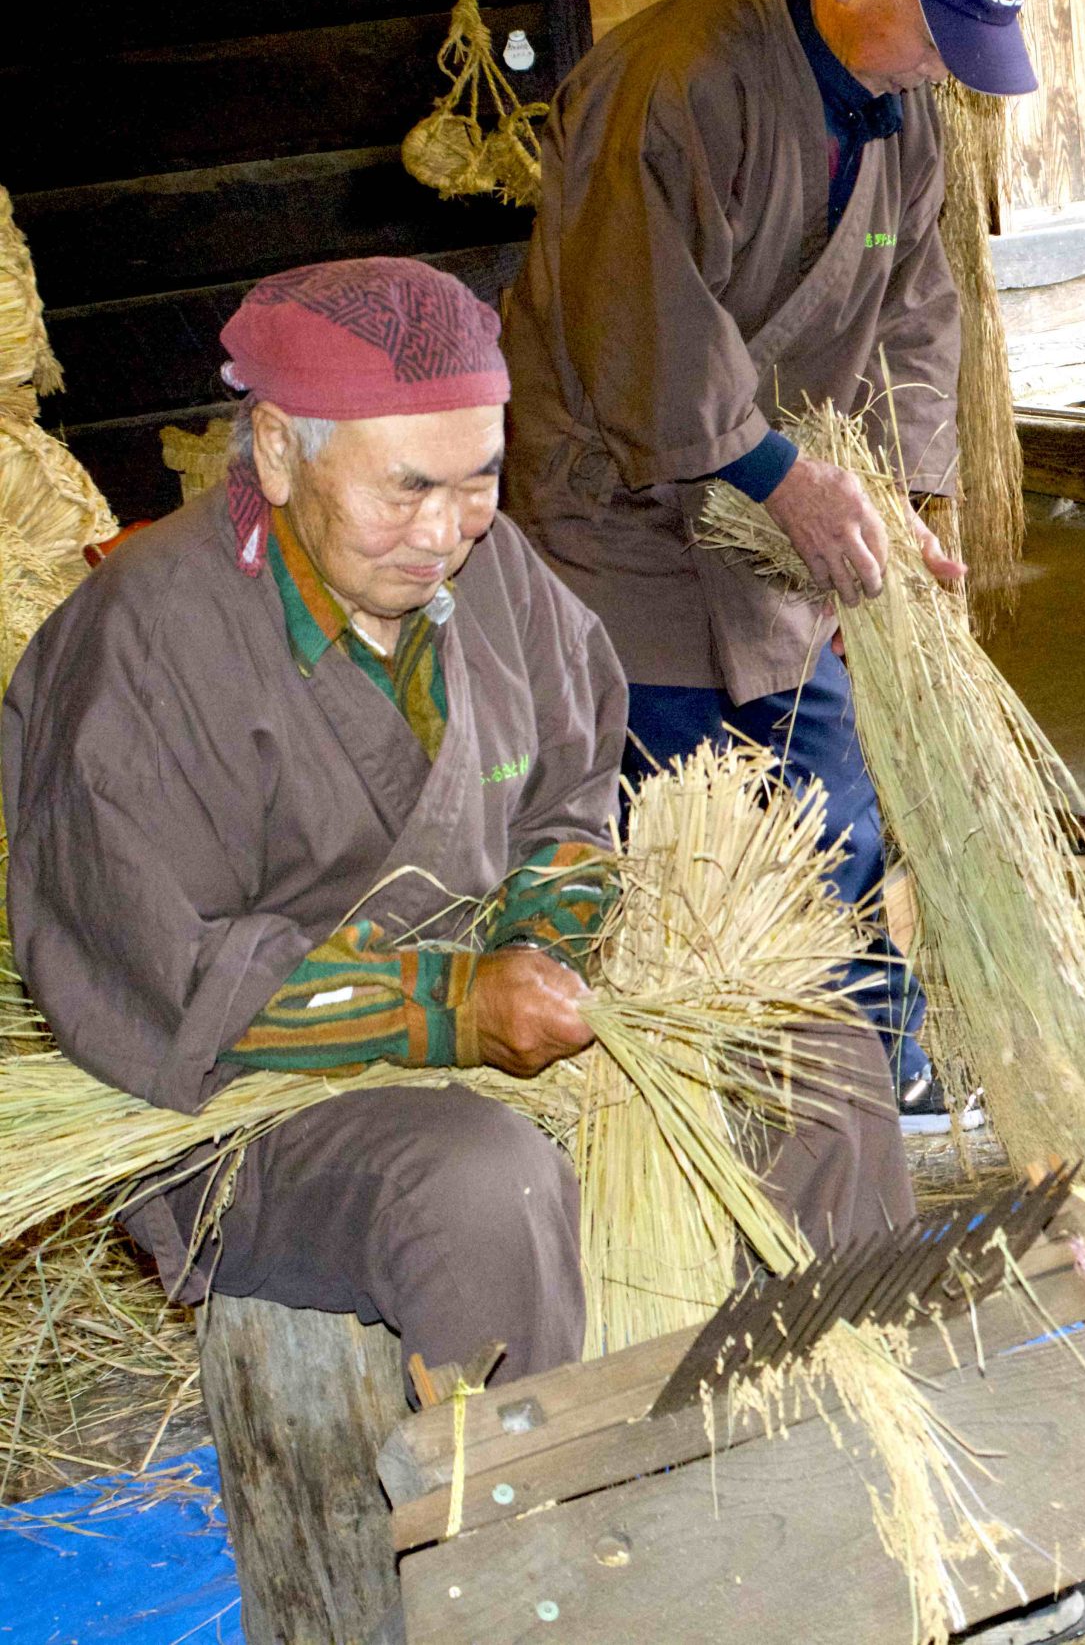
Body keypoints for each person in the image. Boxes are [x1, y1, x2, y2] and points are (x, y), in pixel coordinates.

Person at [1, 258, 903, 1385]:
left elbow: (570, 800)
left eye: (479, 480)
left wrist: (543, 937)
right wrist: (449, 1008)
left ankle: (828, 1415)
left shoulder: (496, 573)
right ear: (279, 453)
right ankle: (539, 1533)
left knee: (812, 1053)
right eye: (407, 489)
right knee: (483, 1180)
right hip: (252, 1098)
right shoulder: (142, 645)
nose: (446, 532)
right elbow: (162, 977)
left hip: (489, 1014)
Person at [500, 0, 1034, 1128]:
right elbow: (632, 316)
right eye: (936, 30)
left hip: (784, 519)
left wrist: (910, 492)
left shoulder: (904, 110)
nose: (942, 67)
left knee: (829, 802)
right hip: (621, 519)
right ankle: (694, 1091)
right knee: (672, 823)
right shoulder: (673, 78)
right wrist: (787, 482)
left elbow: (916, 317)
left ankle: (862, 1067)